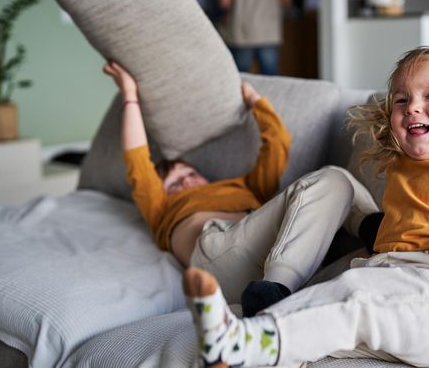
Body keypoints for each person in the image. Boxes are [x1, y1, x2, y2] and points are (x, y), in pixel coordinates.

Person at [181, 46, 429, 367]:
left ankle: (245, 343)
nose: (413, 107)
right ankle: (247, 347)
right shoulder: (404, 163)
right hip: (385, 274)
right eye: (402, 100)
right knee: (328, 307)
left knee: (356, 304)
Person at [103, 61, 378, 317]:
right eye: (174, 184)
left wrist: (255, 103)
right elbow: (137, 159)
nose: (185, 181)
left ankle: (376, 230)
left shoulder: (245, 187)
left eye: (188, 173)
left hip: (284, 248)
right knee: (331, 178)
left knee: (339, 180)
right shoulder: (161, 207)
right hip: (219, 256)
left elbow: (277, 143)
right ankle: (274, 292)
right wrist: (129, 94)